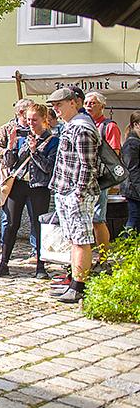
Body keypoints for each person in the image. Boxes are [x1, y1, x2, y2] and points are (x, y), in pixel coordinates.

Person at [0, 102, 56, 278]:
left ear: (44, 119)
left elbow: (48, 167)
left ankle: (41, 266)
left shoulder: (53, 141)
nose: (30, 123)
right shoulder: (24, 138)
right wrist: (11, 146)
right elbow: (11, 164)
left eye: (34, 120)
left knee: (38, 225)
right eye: (28, 120)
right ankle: (3, 264)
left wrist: (35, 151)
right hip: (18, 184)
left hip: (38, 187)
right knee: (11, 224)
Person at [47, 87, 100, 304]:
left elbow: (88, 165)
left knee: (81, 240)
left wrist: (79, 192)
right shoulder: (70, 126)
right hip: (65, 190)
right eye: (54, 106)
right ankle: (73, 281)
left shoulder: (82, 128)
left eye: (59, 105)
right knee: (73, 239)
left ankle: (79, 287)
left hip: (77, 194)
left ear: (73, 103)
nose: (56, 109)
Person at [84, 91, 121, 253]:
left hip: (99, 179)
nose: (88, 106)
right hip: (84, 177)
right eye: (86, 103)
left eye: (92, 103)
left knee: (98, 219)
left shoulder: (109, 126)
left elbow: (114, 154)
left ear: (102, 106)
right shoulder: (84, 124)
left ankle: (103, 256)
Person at [122, 111, 140, 234]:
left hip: (134, 187)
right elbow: (133, 169)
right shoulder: (132, 143)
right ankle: (126, 242)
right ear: (136, 124)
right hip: (133, 189)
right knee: (134, 219)